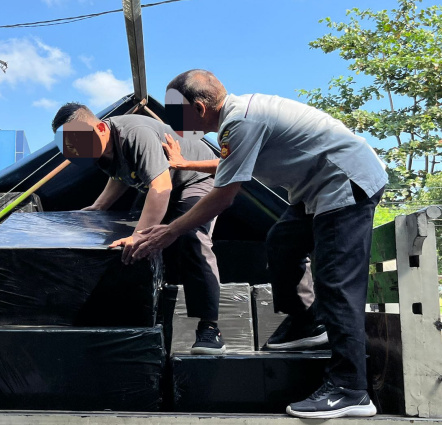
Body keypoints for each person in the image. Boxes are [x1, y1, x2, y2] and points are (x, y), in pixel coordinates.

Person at [131, 70, 387, 419]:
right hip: (316, 189)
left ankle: (350, 389)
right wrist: (186, 163)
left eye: (178, 112)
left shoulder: (240, 122)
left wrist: (170, 231)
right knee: (282, 242)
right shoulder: (237, 121)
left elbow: (223, 196)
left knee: (336, 282)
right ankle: (306, 322)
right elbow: (230, 163)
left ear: (200, 108)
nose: (175, 121)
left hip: (345, 181)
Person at [52, 102, 225, 355]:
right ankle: (139, 316)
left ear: (101, 128)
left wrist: (139, 236)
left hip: (195, 180)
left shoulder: (134, 134)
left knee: (189, 235)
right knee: (123, 236)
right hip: (162, 184)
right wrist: (99, 206)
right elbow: (120, 175)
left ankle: (210, 328)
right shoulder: (98, 148)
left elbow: (161, 187)